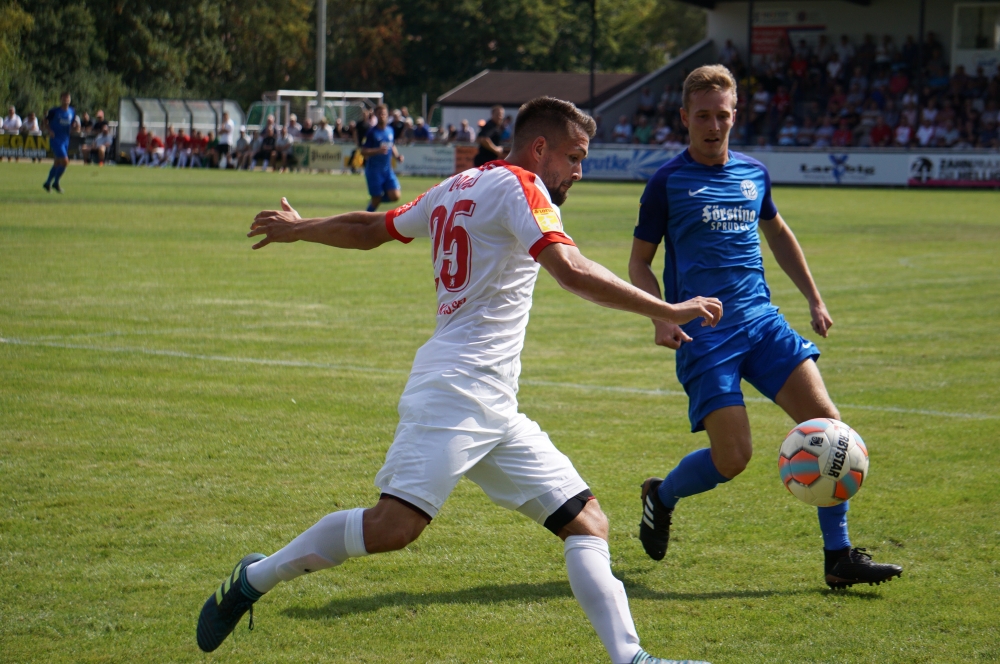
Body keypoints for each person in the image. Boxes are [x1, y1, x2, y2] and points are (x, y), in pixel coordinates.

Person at [199, 95, 722, 664]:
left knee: (587, 520)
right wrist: (666, 309)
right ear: (539, 147)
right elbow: (570, 271)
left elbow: (372, 227)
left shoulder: (460, 185)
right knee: (394, 526)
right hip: (456, 390)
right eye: (574, 156)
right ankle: (256, 577)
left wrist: (302, 230)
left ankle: (632, 660)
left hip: (495, 404)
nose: (579, 170)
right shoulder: (524, 187)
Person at [628, 64, 903, 590]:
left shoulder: (754, 173)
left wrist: (813, 297)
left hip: (763, 322)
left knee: (829, 429)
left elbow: (777, 232)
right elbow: (640, 262)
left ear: (736, 116)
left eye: (723, 116)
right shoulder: (666, 182)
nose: (713, 126)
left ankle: (838, 556)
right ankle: (660, 496)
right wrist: (662, 314)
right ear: (685, 117)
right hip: (705, 333)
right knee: (733, 459)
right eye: (703, 116)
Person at [360, 104, 404, 212]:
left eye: (384, 114)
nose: (382, 116)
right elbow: (363, 151)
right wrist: (377, 151)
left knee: (396, 196)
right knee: (376, 201)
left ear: (387, 115)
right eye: (379, 114)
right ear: (376, 115)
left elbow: (391, 145)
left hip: (387, 170)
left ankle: (376, 199)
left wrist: (397, 156)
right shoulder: (372, 133)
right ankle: (366, 219)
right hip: (374, 171)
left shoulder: (390, 130)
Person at [43, 92, 77, 193]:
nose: (66, 100)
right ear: (61, 99)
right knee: (65, 161)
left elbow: (72, 123)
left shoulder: (72, 111)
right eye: (64, 98)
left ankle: (48, 183)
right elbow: (45, 121)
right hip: (56, 139)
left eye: (68, 98)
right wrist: (49, 131)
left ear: (70, 100)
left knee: (58, 163)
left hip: (66, 139)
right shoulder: (54, 111)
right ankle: (56, 183)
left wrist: (75, 127)